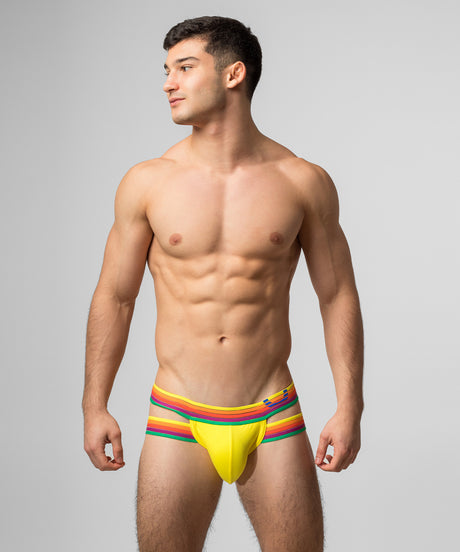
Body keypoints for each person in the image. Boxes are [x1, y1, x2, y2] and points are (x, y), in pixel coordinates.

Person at [82, 15, 364, 552]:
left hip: (270, 408)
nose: (168, 83)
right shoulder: (147, 183)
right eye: (167, 70)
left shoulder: (302, 182)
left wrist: (350, 406)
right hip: (178, 410)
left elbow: (337, 296)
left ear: (233, 74)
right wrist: (94, 405)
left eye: (185, 68)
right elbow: (115, 298)